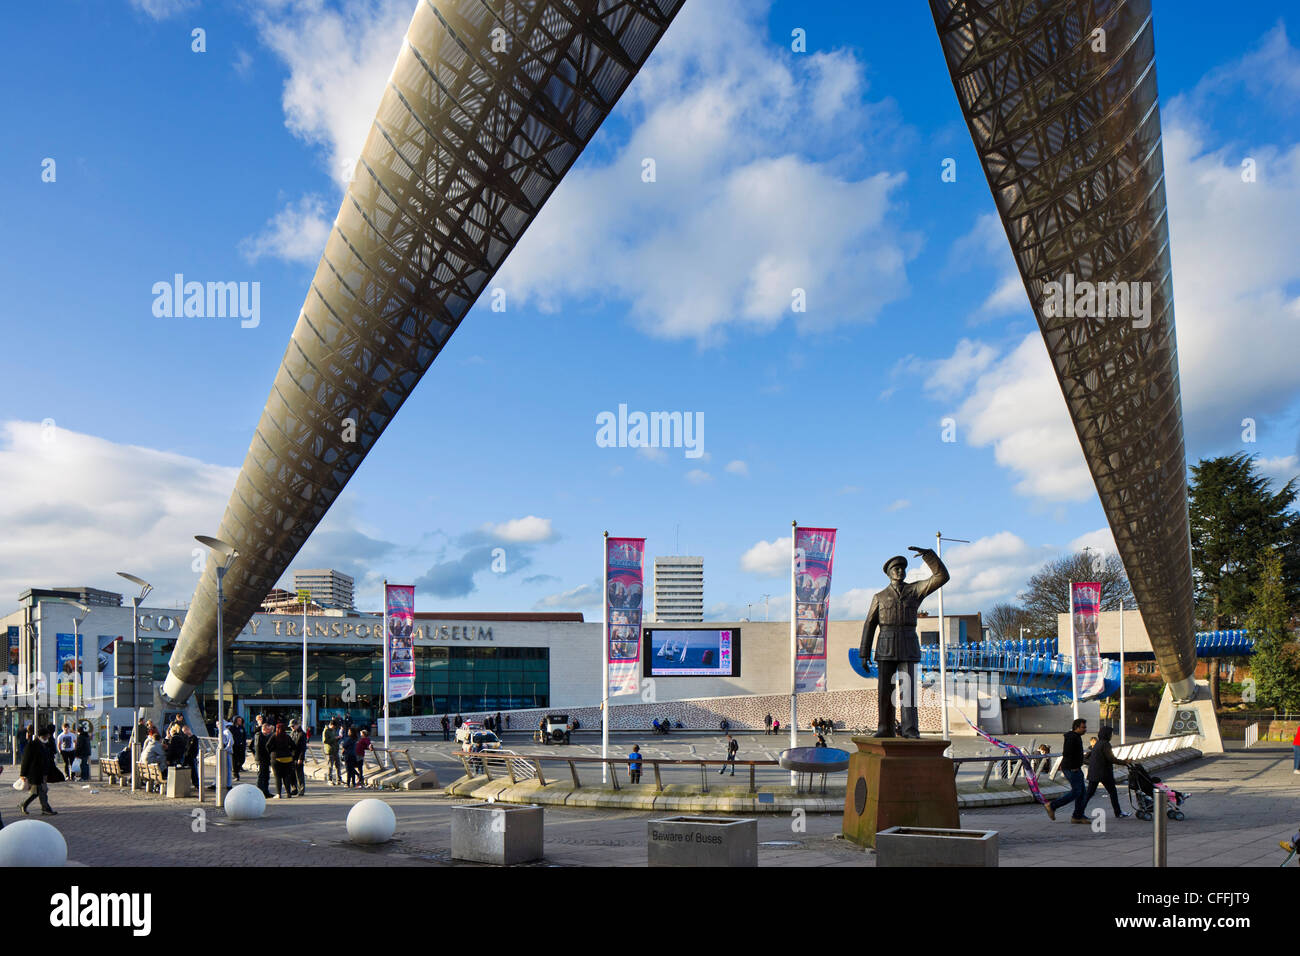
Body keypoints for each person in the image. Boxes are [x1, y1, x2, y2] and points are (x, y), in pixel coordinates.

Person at [859, 548, 950, 738]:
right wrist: (864, 653)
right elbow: (870, 624)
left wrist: (929, 556)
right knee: (885, 692)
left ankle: (910, 730)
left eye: (902, 568)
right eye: (896, 568)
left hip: (908, 645)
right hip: (885, 646)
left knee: (908, 692)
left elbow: (942, 576)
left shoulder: (914, 590)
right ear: (889, 573)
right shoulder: (880, 597)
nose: (900, 571)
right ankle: (885, 728)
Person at [1044, 718, 1088, 823]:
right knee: (1076, 791)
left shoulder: (1076, 737)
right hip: (1072, 769)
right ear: (1076, 727)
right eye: (1083, 727)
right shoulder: (1072, 738)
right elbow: (1067, 753)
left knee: (1082, 792)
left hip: (1075, 768)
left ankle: (1077, 816)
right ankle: (1052, 805)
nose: (1085, 729)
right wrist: (1073, 767)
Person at [1083, 726, 1131, 818]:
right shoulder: (1106, 744)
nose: (1111, 736)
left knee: (1089, 793)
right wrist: (1124, 762)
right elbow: (1111, 759)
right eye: (1111, 734)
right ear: (1107, 734)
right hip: (1104, 773)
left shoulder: (1097, 744)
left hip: (1094, 772)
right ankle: (1118, 812)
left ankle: (1078, 812)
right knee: (1112, 792)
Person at [17, 726, 56, 815]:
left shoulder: (46, 745)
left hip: (42, 773)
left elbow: (47, 759)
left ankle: (24, 804)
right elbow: (25, 760)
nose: (47, 738)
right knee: (41, 791)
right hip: (34, 773)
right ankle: (45, 809)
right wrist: (23, 774)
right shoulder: (32, 745)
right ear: (41, 736)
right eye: (45, 736)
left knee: (37, 792)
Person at [267, 723, 297, 798]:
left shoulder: (274, 736)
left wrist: (272, 752)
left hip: (276, 758)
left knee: (278, 777)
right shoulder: (287, 737)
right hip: (288, 759)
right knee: (286, 776)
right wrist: (288, 751)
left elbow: (267, 746)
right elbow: (294, 746)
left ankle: (279, 794)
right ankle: (288, 793)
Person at [255, 721, 273, 798]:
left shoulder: (267, 736)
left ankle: (266, 792)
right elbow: (258, 748)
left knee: (266, 776)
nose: (270, 731)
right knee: (261, 776)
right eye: (268, 729)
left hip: (266, 759)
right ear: (264, 729)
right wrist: (257, 758)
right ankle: (259, 793)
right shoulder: (259, 736)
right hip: (261, 759)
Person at [290, 720, 308, 795]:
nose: (292, 728)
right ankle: (294, 788)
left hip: (298, 756)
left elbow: (303, 748)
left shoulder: (302, 734)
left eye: (293, 726)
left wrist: (301, 758)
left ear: (297, 725)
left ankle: (301, 789)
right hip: (291, 756)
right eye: (291, 727)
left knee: (299, 773)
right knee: (292, 773)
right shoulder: (292, 733)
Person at [323, 717, 342, 785]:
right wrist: (334, 738)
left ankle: (339, 779)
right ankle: (329, 779)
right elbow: (325, 741)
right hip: (329, 750)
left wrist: (338, 738)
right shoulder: (326, 731)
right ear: (331, 725)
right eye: (334, 727)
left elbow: (334, 739)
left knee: (338, 765)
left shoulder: (333, 730)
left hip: (335, 750)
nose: (334, 728)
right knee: (330, 766)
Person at [181, 725, 200, 790]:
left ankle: (196, 784)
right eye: (183, 732)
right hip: (187, 757)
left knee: (194, 772)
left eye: (185, 731)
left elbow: (193, 748)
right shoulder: (186, 738)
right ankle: (190, 783)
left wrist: (193, 755)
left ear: (188, 729)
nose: (184, 733)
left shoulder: (194, 738)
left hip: (191, 757)